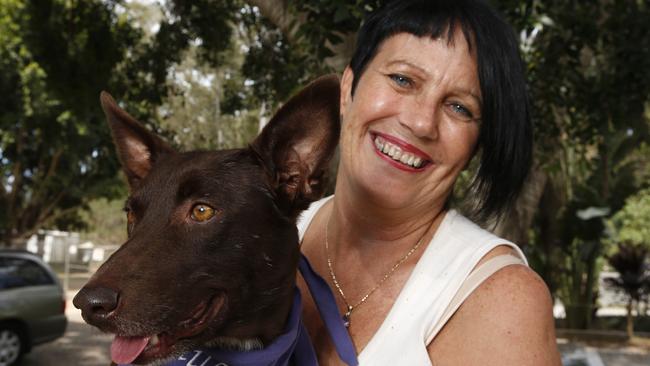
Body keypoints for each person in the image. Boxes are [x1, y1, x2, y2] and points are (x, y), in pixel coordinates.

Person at [296, 0, 562, 365]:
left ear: (474, 148)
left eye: (459, 108)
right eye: (403, 80)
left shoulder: (501, 300)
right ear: (348, 89)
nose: (421, 122)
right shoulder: (263, 232)